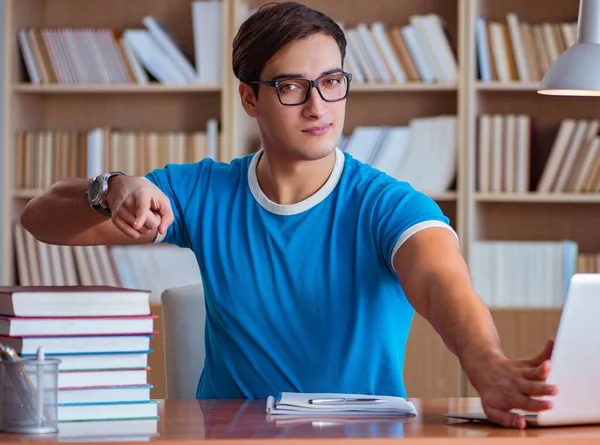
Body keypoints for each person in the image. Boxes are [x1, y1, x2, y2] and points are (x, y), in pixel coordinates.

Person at [21, 1, 556, 429]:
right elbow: (39, 220)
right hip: (230, 437)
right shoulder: (203, 191)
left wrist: (484, 359)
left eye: (332, 81)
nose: (318, 106)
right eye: (292, 86)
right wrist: (111, 188)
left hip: (362, 437)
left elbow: (443, 282)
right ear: (250, 98)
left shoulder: (388, 203)